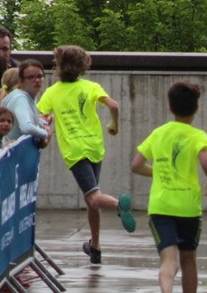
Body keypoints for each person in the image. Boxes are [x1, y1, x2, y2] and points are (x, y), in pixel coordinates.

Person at [130, 82, 207, 293]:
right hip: (188, 207)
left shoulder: (159, 133)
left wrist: (157, 171)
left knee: (168, 261)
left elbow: (136, 165)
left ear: (170, 107)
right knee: (189, 260)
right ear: (196, 108)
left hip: (161, 206)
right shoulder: (197, 135)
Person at [37, 45, 134, 264]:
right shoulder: (91, 87)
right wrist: (114, 124)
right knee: (92, 199)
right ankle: (95, 247)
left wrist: (49, 122)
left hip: (75, 150)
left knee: (93, 196)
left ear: (58, 66)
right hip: (94, 146)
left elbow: (40, 117)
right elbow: (114, 105)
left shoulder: (52, 92)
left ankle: (119, 205)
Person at [2, 60, 51, 147]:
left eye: (40, 76)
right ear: (21, 81)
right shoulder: (21, 98)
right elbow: (26, 128)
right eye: (31, 77)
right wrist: (45, 133)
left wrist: (42, 123)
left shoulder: (28, 97)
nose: (37, 80)